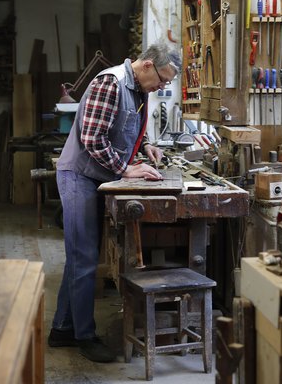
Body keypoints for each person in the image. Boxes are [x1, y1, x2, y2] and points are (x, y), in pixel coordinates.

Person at [48, 42, 181, 362]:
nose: (163, 86)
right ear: (147, 65)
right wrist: (127, 169)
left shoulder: (138, 90)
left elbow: (126, 124)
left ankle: (62, 328)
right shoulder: (110, 83)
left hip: (100, 176)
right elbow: (93, 139)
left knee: (80, 256)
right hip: (79, 175)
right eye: (163, 79)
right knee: (84, 258)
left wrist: (146, 145)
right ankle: (84, 336)